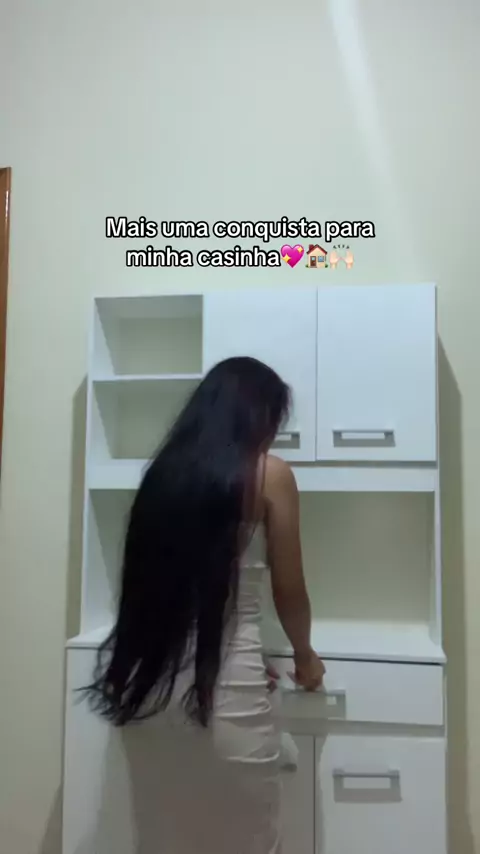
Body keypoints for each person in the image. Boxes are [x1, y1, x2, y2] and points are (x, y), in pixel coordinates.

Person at [84, 356, 325, 854]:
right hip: (225, 699)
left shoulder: (163, 476)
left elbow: (154, 590)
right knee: (248, 841)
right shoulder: (269, 475)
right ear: (259, 416)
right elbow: (290, 590)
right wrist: (305, 658)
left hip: (149, 694)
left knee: (165, 841)